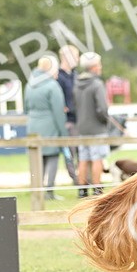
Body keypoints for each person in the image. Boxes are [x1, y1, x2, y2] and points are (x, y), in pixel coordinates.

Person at [25, 55, 68, 200]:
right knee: (52, 157)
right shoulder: (52, 86)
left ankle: (37, 189)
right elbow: (58, 112)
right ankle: (49, 190)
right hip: (50, 125)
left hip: (33, 126)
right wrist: (63, 132)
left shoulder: (29, 84)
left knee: (37, 158)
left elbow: (26, 108)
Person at [73, 52, 113, 197]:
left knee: (83, 159)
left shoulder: (77, 83)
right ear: (95, 67)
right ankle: (97, 189)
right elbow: (102, 108)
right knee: (98, 158)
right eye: (99, 64)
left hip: (82, 127)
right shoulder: (97, 84)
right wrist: (105, 120)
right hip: (96, 127)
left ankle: (82, 190)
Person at [57, 45, 81, 188]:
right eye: (75, 56)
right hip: (68, 121)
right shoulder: (59, 77)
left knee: (81, 151)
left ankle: (83, 179)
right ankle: (76, 179)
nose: (77, 60)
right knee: (70, 152)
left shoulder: (75, 75)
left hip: (79, 119)